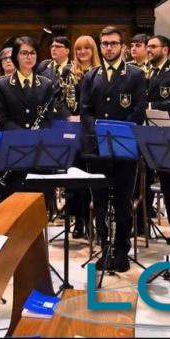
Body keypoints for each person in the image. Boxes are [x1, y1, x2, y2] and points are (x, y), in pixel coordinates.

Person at [80, 26, 146, 272]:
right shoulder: (90, 76)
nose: (109, 48)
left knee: (122, 201)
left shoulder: (135, 74)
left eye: (113, 43)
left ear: (122, 47)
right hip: (96, 148)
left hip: (124, 147)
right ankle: (105, 247)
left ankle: (121, 250)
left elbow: (138, 111)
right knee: (99, 202)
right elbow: (85, 111)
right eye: (105, 43)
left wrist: (116, 130)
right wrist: (97, 129)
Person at [0, 37, 55, 195]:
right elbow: (2, 121)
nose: (29, 57)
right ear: (16, 56)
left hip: (40, 153)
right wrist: (26, 137)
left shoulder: (46, 84)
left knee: (39, 205)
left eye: (32, 53)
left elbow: (48, 120)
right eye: (24, 53)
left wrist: (38, 137)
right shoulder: (2, 85)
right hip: (14, 151)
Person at [144, 35, 170, 239]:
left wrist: (148, 107)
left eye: (153, 46)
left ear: (165, 49)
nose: (148, 49)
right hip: (146, 134)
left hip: (167, 136)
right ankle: (142, 222)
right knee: (142, 182)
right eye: (147, 46)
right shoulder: (145, 71)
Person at [66, 35, 101, 238]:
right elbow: (60, 100)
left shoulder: (99, 73)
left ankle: (91, 221)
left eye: (86, 49)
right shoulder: (68, 73)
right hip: (73, 130)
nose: (82, 53)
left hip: (91, 130)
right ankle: (78, 220)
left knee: (91, 177)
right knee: (75, 177)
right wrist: (69, 116)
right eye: (78, 49)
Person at [36, 36, 77, 118]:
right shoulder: (43, 66)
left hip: (68, 115)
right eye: (52, 46)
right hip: (46, 115)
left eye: (58, 46)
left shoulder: (75, 69)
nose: (53, 49)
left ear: (67, 50)